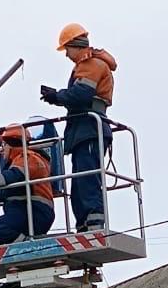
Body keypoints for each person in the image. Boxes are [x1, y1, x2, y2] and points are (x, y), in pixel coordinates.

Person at [40, 23, 117, 232]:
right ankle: (85, 223)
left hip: (89, 129)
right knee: (80, 182)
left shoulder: (92, 64)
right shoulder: (86, 65)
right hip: (83, 130)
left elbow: (81, 94)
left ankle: (93, 222)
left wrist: (56, 96)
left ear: (75, 45)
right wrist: (58, 96)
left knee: (87, 178)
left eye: (67, 49)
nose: (66, 55)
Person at [0, 124, 55, 247]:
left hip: (35, 213)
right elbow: (2, 193)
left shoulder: (30, 158)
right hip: (21, 212)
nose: (1, 150)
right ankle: (22, 242)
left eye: (3, 145)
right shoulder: (17, 162)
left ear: (12, 143)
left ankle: (29, 245)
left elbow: (13, 176)